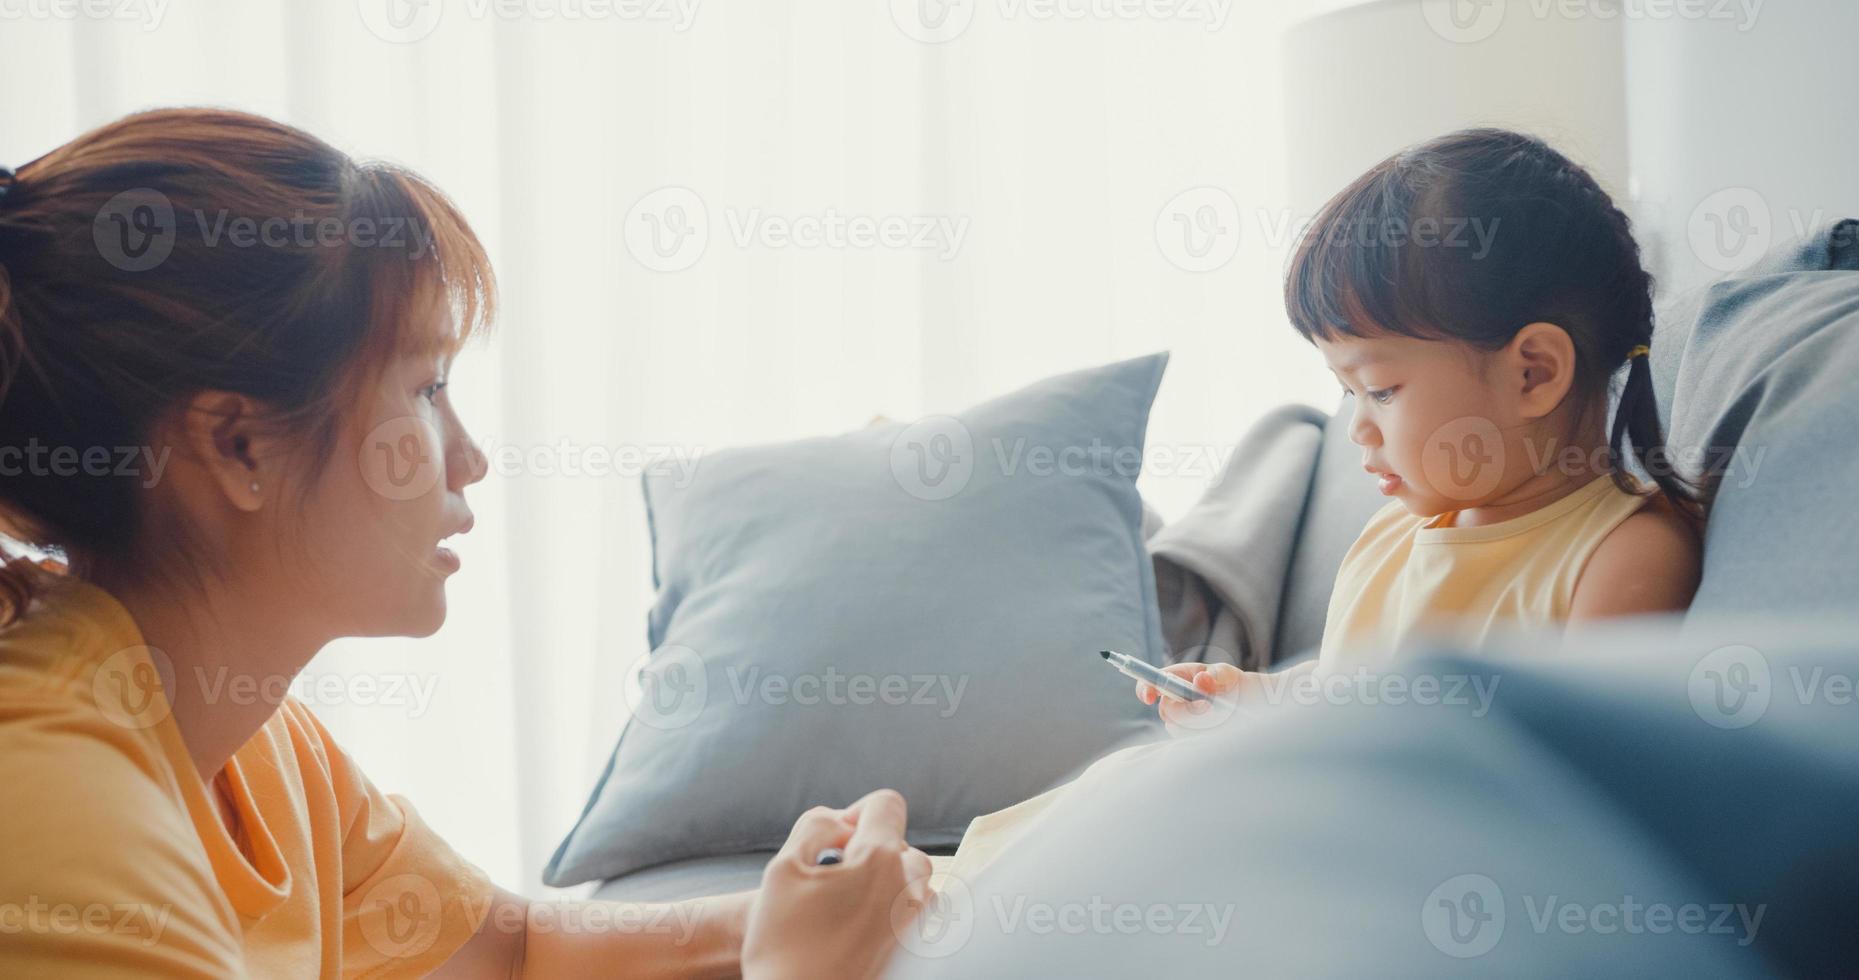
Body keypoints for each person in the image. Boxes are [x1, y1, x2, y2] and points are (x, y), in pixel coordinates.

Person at [0, 107, 924, 979]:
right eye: (426, 388)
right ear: (240, 445)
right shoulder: (52, 798)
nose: (472, 459)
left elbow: (512, 952)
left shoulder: (252, 739)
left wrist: (818, 905)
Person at [1138, 128, 1707, 722]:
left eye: (1380, 390)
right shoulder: (1392, 534)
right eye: (1347, 392)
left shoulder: (1621, 555)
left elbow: (1580, 767)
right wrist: (1253, 699)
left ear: (1533, 374)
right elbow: (1349, 687)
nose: (1358, 426)